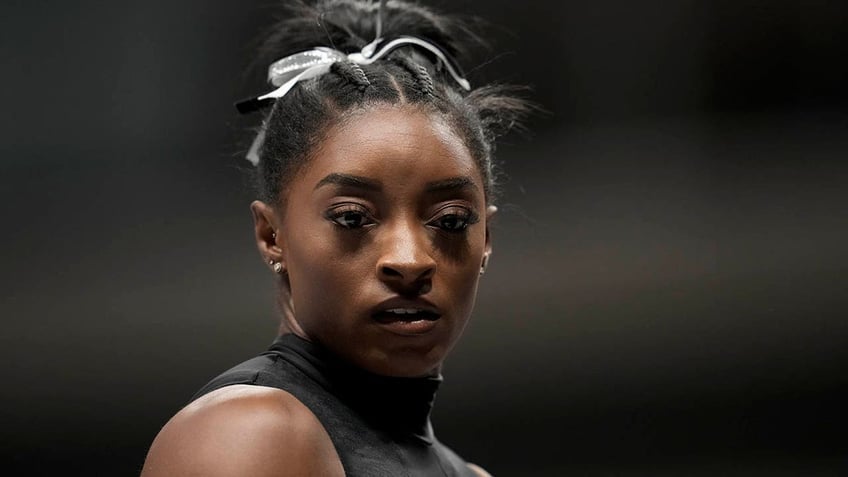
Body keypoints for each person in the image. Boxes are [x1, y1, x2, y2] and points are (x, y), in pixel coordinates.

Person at [141, 1, 527, 475]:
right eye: (352, 218)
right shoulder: (249, 433)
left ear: (486, 239)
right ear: (271, 235)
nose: (409, 260)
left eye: (449, 221)